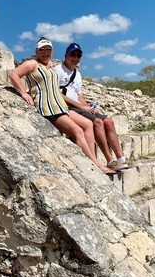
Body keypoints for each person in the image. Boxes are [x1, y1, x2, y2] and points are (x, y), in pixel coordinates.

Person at [9, 37, 115, 175]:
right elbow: (14, 75)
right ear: (36, 51)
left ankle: (92, 159)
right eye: (42, 50)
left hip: (59, 105)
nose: (45, 53)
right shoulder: (32, 64)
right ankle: (96, 165)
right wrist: (24, 93)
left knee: (88, 124)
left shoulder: (51, 66)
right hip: (48, 106)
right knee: (77, 131)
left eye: (48, 50)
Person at [53, 42, 139, 171]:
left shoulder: (77, 74)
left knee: (109, 122)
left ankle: (121, 159)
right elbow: (57, 93)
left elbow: (78, 94)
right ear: (66, 55)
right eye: (72, 54)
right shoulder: (57, 70)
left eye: (78, 55)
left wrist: (87, 107)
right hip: (67, 106)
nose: (75, 58)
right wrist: (81, 107)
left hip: (78, 106)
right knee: (98, 122)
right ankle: (110, 160)